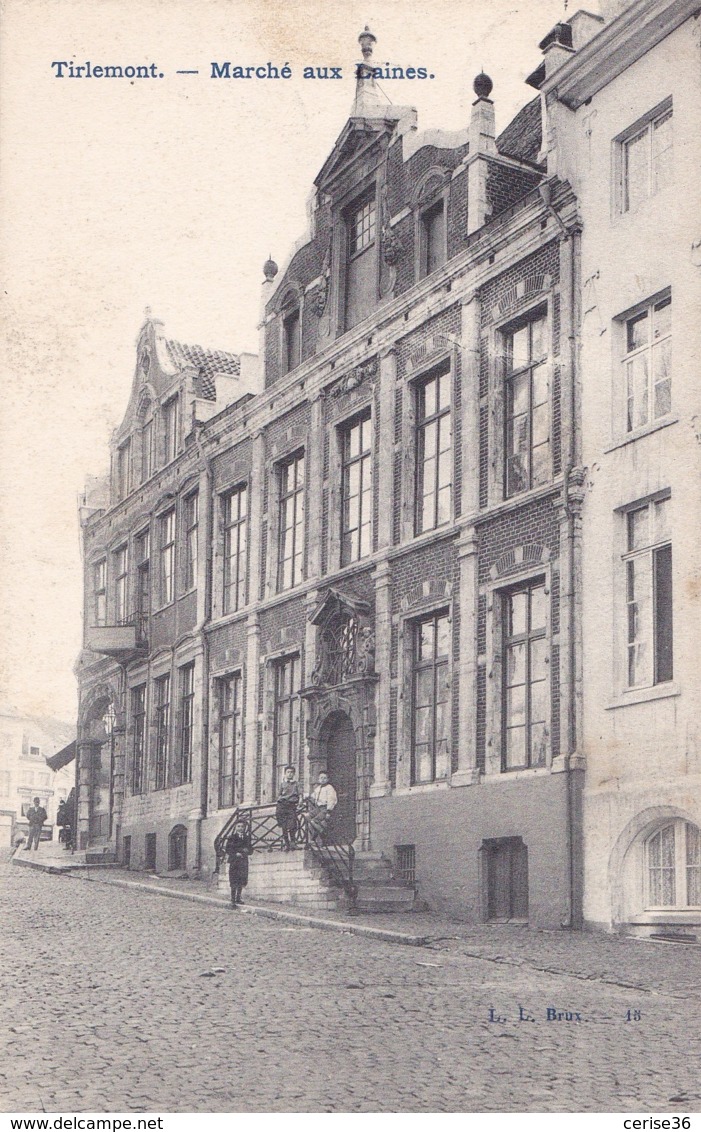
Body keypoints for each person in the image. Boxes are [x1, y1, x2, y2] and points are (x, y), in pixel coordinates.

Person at [307, 771, 337, 844]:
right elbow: (313, 796)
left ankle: (322, 833)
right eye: (321, 778)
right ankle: (314, 835)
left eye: (324, 778)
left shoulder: (329, 788)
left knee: (314, 821)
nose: (322, 780)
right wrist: (307, 797)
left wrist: (328, 811)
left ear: (328, 779)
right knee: (307, 817)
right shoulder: (318, 788)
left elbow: (331, 800)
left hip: (324, 808)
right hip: (317, 808)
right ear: (318, 779)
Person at [275, 765, 300, 851]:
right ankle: (287, 844)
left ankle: (293, 842)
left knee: (293, 824)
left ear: (294, 774)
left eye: (291, 772)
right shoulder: (282, 784)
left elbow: (300, 794)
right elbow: (279, 795)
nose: (290, 774)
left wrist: (299, 802)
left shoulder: (296, 784)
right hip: (282, 805)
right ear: (285, 774)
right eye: (288, 772)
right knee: (284, 826)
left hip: (291, 805)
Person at [226, 830, 251, 908]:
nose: (241, 828)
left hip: (243, 861)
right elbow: (228, 849)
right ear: (236, 828)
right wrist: (235, 853)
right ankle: (232, 899)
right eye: (239, 826)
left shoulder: (246, 838)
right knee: (234, 879)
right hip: (234, 861)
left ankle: (238, 898)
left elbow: (251, 849)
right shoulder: (232, 837)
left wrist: (248, 851)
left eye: (242, 827)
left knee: (241, 879)